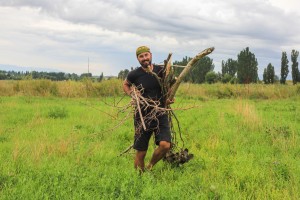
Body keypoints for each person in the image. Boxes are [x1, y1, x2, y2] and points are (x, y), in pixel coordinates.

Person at [123, 46, 173, 172]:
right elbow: (126, 84)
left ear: (150, 55)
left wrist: (170, 97)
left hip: (160, 113)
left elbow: (168, 86)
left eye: (146, 55)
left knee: (165, 145)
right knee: (141, 152)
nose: (144, 58)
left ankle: (150, 166)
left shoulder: (161, 70)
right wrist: (132, 94)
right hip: (142, 116)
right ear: (138, 59)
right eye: (141, 56)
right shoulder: (134, 74)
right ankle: (138, 178)